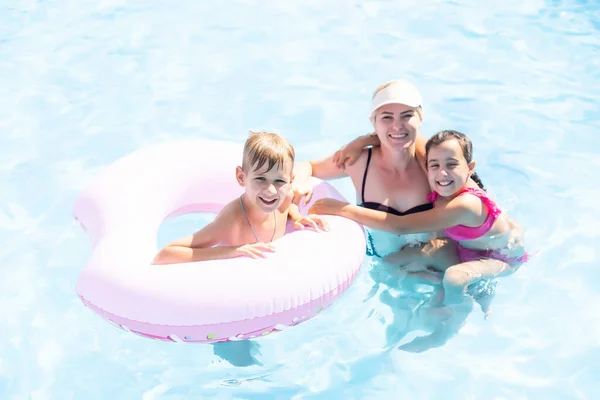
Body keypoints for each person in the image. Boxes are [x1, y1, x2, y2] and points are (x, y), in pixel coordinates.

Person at [309, 130, 530, 318]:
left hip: (499, 258)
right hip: (466, 248)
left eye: (452, 165)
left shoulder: (464, 205)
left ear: (470, 168)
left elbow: (400, 226)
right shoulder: (444, 184)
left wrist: (343, 209)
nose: (442, 172)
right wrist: (360, 142)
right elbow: (404, 135)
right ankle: (453, 288)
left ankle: (453, 317)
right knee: (390, 263)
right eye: (434, 165)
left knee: (454, 278)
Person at [293, 79, 457, 277]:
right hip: (385, 273)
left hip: (438, 266)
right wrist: (301, 179)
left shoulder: (434, 165)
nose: (397, 126)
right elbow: (307, 166)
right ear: (374, 122)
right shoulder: (359, 162)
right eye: (387, 118)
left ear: (420, 119)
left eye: (406, 116)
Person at [152, 131, 328, 265]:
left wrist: (297, 217)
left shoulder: (285, 199)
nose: (271, 190)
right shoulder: (232, 221)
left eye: (279, 181)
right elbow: (166, 254)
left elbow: (287, 207)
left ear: (290, 181)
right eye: (260, 179)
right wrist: (229, 252)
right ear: (241, 177)